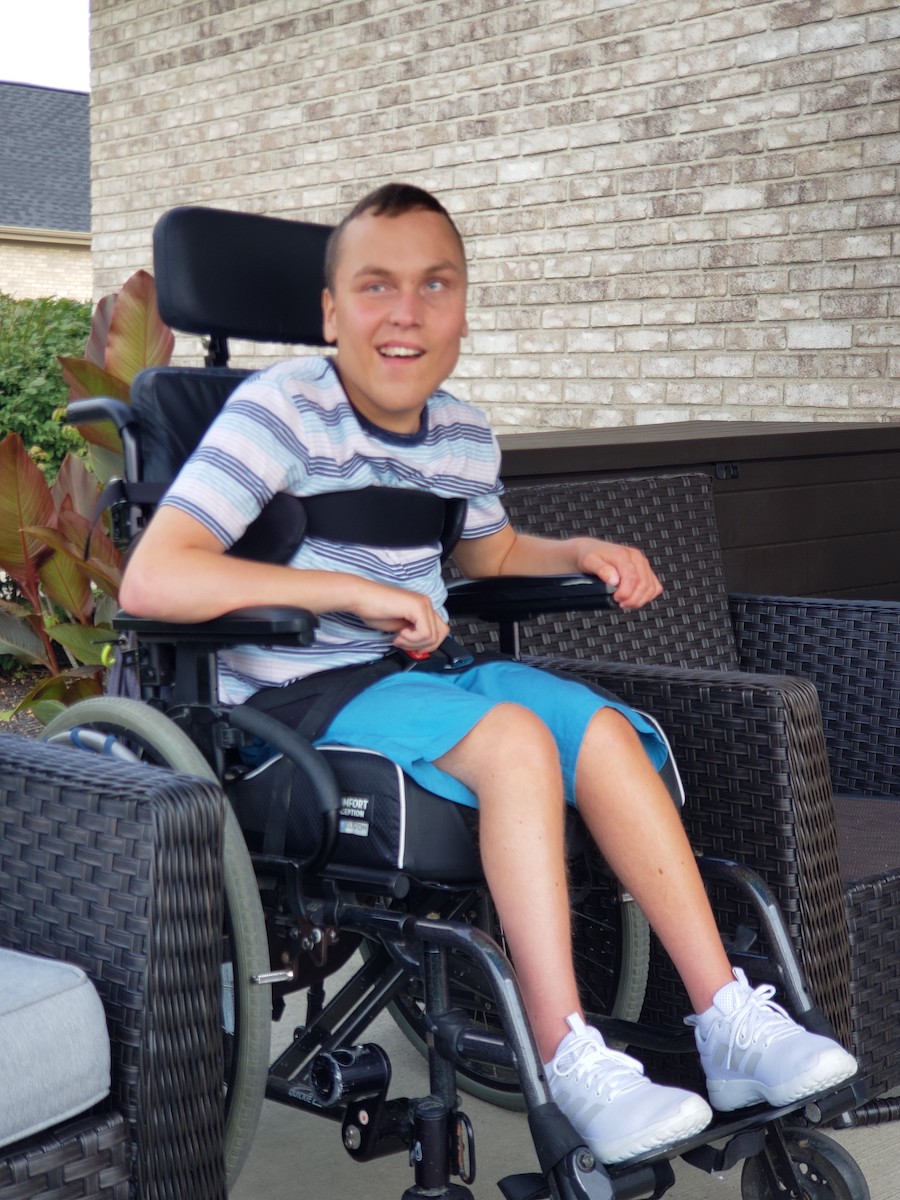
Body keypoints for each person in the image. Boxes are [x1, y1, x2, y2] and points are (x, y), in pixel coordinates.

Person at [119, 182, 857, 1165]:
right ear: (331, 312)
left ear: (464, 307)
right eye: (375, 287)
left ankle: (725, 1018)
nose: (406, 313)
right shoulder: (276, 411)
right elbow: (154, 577)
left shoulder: (461, 431)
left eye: (435, 285)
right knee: (513, 742)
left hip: (421, 679)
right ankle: (568, 1059)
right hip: (289, 712)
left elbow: (488, 556)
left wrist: (577, 550)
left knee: (595, 726)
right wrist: (349, 592)